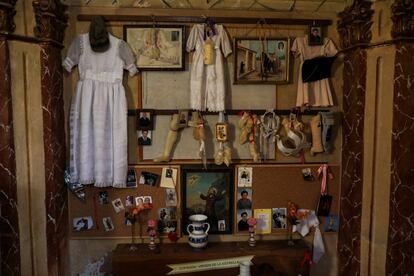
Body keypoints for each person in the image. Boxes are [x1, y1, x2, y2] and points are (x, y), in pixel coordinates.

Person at [63, 16, 137, 188]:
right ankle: (88, 173)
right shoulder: (80, 43)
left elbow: (131, 67)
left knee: (112, 135)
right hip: (89, 99)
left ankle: (109, 175)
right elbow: (132, 68)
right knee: (88, 133)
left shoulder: (119, 46)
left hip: (107, 100)